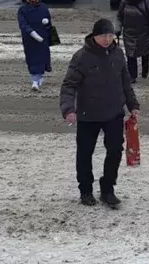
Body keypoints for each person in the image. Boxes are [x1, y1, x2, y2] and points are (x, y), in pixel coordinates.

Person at [59, 17, 140, 207]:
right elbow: (69, 84)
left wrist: (133, 105)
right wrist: (68, 109)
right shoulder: (82, 57)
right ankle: (85, 190)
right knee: (85, 153)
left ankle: (107, 188)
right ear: (94, 36)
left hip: (113, 112)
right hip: (89, 114)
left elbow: (126, 83)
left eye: (110, 35)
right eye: (103, 35)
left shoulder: (118, 55)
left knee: (115, 150)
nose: (107, 39)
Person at [116, 0, 149, 83]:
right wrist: (117, 28)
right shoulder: (124, 2)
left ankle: (145, 70)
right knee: (131, 55)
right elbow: (119, 17)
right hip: (129, 33)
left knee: (145, 53)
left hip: (144, 32)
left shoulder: (145, 1)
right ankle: (132, 76)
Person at [17, 0, 52, 91]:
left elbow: (49, 24)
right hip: (29, 39)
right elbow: (22, 24)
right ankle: (35, 81)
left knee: (42, 58)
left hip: (43, 39)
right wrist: (32, 33)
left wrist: (48, 29)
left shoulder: (43, 8)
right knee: (32, 59)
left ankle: (39, 78)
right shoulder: (23, 9)